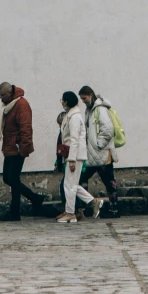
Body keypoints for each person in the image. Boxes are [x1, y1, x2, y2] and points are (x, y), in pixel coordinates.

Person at [0, 80, 43, 221]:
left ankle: (15, 212)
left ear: (9, 93)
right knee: (8, 178)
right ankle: (35, 198)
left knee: (12, 178)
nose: (0, 98)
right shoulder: (9, 105)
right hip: (10, 147)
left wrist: (24, 147)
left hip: (17, 148)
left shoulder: (21, 104)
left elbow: (25, 127)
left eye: (2, 95)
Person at [56, 90, 97, 223]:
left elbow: (74, 140)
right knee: (71, 184)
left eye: (62, 100)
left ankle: (70, 213)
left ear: (66, 101)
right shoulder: (72, 115)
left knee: (70, 186)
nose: (61, 102)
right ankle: (93, 201)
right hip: (73, 155)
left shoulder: (74, 117)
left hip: (75, 156)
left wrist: (71, 159)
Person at [78, 84, 119, 217]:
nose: (83, 102)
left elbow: (108, 130)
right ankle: (88, 207)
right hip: (92, 155)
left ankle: (114, 210)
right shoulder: (89, 110)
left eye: (84, 98)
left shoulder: (99, 110)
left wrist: (98, 144)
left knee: (109, 183)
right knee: (82, 179)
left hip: (102, 154)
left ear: (90, 95)